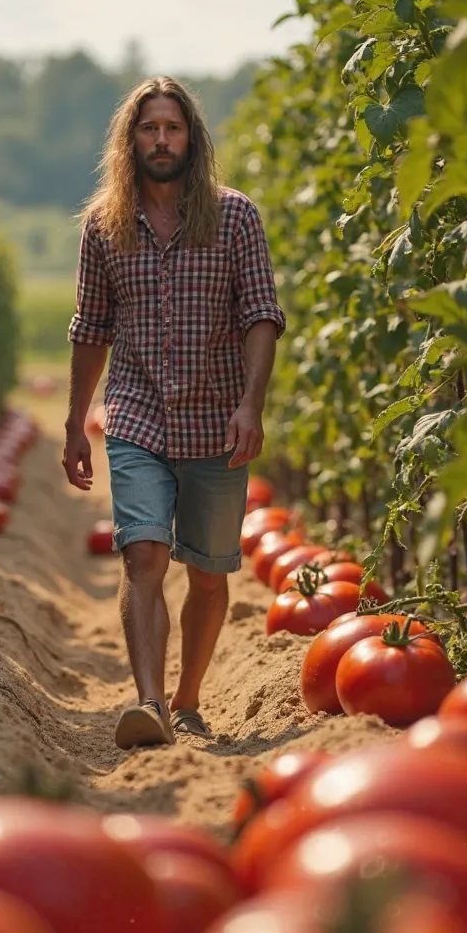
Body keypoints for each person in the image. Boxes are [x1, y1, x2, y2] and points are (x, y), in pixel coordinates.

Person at [63, 75, 285, 750]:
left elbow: (261, 316)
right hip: (137, 413)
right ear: (130, 140)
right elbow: (91, 327)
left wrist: (252, 404)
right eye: (149, 128)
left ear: (192, 137)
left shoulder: (235, 217)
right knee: (144, 554)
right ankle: (151, 702)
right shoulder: (104, 225)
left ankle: (188, 696)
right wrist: (76, 422)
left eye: (173, 128)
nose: (161, 140)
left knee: (210, 571)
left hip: (218, 417)